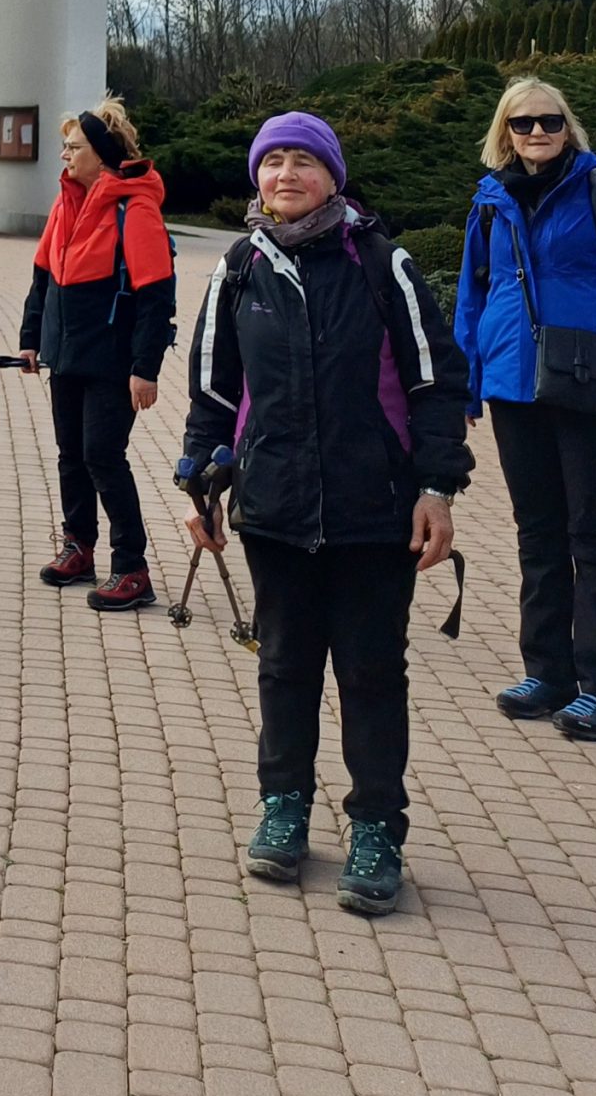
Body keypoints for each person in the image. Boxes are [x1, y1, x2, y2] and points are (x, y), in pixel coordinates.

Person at [183, 111, 470, 917]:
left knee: (371, 673)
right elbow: (213, 394)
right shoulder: (240, 267)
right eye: (273, 160)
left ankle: (376, 827)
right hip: (274, 506)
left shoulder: (383, 263)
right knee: (284, 665)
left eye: (303, 161)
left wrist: (437, 489)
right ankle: (284, 807)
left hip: (375, 509)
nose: (286, 174)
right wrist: (200, 489)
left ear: (333, 176)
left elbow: (437, 384)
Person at [455, 74, 596, 742]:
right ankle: (549, 674)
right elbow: (472, 296)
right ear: (506, 132)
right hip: (514, 385)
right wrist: (466, 383)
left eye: (549, 121)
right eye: (523, 123)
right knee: (538, 532)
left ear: (567, 126)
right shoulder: (489, 205)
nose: (538, 132)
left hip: (590, 386)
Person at [19, 99, 177, 611]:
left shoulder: (136, 208)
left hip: (112, 361)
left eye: (74, 147)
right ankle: (79, 548)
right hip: (66, 355)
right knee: (71, 456)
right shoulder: (65, 203)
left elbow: (156, 297)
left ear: (102, 154)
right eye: (65, 147)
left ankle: (132, 568)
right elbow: (42, 278)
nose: (64, 155)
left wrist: (145, 369)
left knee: (103, 458)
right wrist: (31, 339)